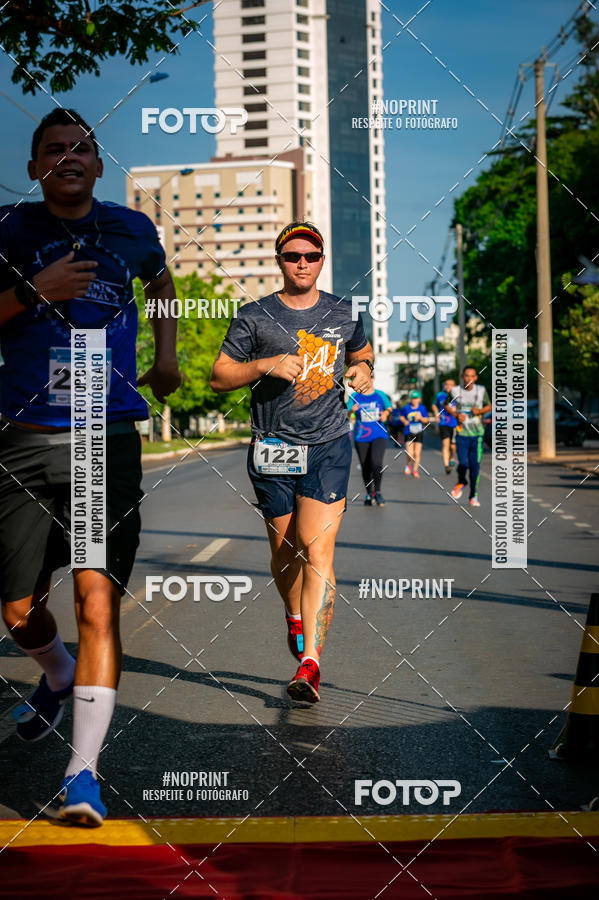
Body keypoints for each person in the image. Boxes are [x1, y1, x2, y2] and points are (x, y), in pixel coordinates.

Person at [0, 109, 182, 825]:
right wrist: (32, 292)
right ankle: (58, 673)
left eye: (82, 148)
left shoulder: (133, 230)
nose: (68, 157)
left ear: (100, 166)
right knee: (17, 609)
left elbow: (163, 285)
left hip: (102, 435)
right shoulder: (9, 231)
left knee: (95, 600)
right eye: (53, 149)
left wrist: (166, 356)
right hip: (20, 437)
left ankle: (82, 776)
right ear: (34, 166)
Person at [210, 221, 373, 703]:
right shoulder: (254, 317)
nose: (302, 262)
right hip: (273, 447)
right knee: (286, 552)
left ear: (322, 260)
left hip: (328, 444)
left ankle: (310, 664)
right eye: (292, 255)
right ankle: (294, 616)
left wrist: (362, 370)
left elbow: (363, 355)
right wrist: (264, 365)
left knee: (316, 549)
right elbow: (219, 376)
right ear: (280, 261)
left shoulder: (344, 314)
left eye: (311, 255)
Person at [444, 366, 491, 507]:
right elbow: (445, 404)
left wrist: (480, 410)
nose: (469, 379)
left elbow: (489, 406)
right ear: (462, 377)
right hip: (461, 433)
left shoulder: (481, 391)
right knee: (463, 463)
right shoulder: (455, 391)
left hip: (477, 435)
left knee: (474, 466)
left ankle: (473, 495)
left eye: (472, 376)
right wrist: (456, 415)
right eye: (466, 376)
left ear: (475, 378)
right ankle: (461, 481)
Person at [347, 387, 392, 507]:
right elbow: (345, 413)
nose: (368, 379)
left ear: (372, 378)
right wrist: (351, 411)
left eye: (370, 377)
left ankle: (377, 491)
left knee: (376, 463)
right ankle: (369, 493)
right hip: (361, 436)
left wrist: (386, 414)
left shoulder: (380, 394)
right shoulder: (354, 396)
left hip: (379, 434)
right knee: (365, 465)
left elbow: (389, 407)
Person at [399, 390, 429, 478]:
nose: (414, 400)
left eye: (416, 398)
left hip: (419, 432)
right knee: (409, 453)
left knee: (417, 453)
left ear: (419, 399)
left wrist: (421, 418)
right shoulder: (406, 408)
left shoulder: (422, 408)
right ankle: (408, 464)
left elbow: (426, 420)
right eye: (413, 398)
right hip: (408, 432)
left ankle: (415, 470)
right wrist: (404, 421)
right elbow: (401, 416)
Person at [432, 378, 457, 473]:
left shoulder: (458, 395)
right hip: (443, 422)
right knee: (445, 444)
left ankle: (451, 457)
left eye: (451, 385)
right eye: (447, 384)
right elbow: (434, 405)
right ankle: (446, 465)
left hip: (454, 423)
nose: (448, 387)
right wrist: (436, 413)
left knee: (453, 446)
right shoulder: (440, 395)